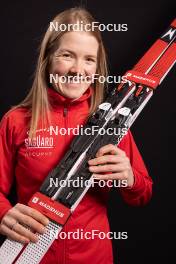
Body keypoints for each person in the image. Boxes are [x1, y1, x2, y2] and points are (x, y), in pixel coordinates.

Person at [0, 7, 153, 264]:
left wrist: (128, 178)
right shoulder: (16, 121)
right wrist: (3, 212)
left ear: (97, 66)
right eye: (67, 56)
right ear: (48, 59)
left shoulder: (111, 123)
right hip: (30, 255)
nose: (77, 69)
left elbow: (143, 193)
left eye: (89, 59)